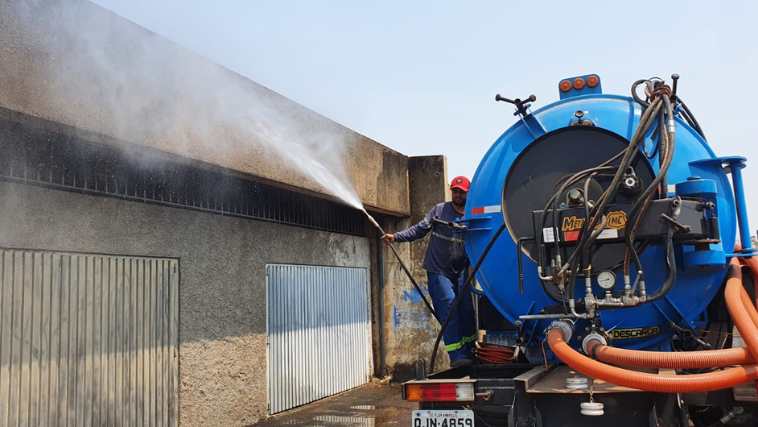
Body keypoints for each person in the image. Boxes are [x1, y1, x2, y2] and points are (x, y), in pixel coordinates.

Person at [382, 176, 475, 366]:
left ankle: (470, 351)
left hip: (461, 271)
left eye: (461, 192)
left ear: (468, 193)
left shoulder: (472, 215)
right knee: (449, 308)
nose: (457, 195)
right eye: (455, 191)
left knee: (466, 310)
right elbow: (419, 229)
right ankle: (457, 357)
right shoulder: (440, 210)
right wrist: (396, 237)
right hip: (439, 271)